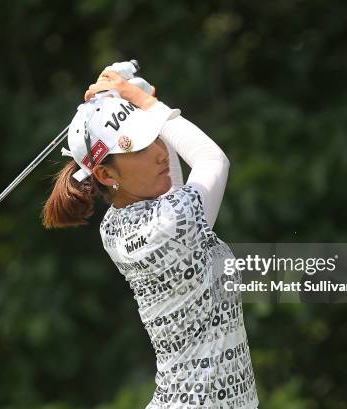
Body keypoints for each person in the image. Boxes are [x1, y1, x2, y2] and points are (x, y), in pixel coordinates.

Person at [42, 68, 260, 409]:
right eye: (140, 148)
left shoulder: (117, 226)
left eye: (154, 137)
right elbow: (213, 160)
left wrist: (135, 99)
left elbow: (171, 188)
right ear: (105, 173)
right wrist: (146, 102)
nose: (159, 151)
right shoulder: (169, 226)